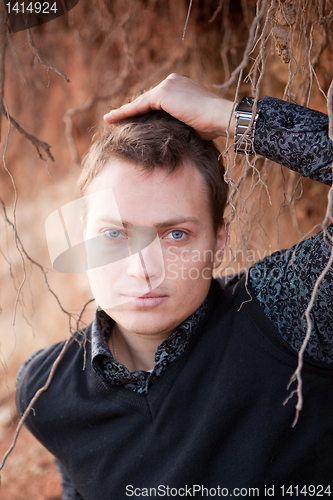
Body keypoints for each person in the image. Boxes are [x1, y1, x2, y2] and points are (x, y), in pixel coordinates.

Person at [16, 74, 333, 500]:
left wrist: (234, 117)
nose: (143, 270)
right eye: (115, 235)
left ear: (219, 241)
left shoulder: (286, 310)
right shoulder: (47, 387)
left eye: (176, 235)